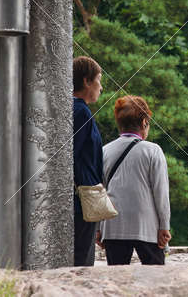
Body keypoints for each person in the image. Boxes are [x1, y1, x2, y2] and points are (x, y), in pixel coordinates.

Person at [100, 95, 171, 265]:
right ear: (145, 122)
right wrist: (164, 226)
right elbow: (161, 193)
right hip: (147, 226)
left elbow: (98, 191)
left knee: (116, 282)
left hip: (113, 225)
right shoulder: (153, 150)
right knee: (155, 279)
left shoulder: (104, 151)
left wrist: (98, 229)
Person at [72, 56, 105, 266]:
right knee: (82, 258)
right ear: (86, 81)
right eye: (99, 80)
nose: (100, 87)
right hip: (81, 197)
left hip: (78, 196)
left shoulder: (73, 109)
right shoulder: (81, 111)